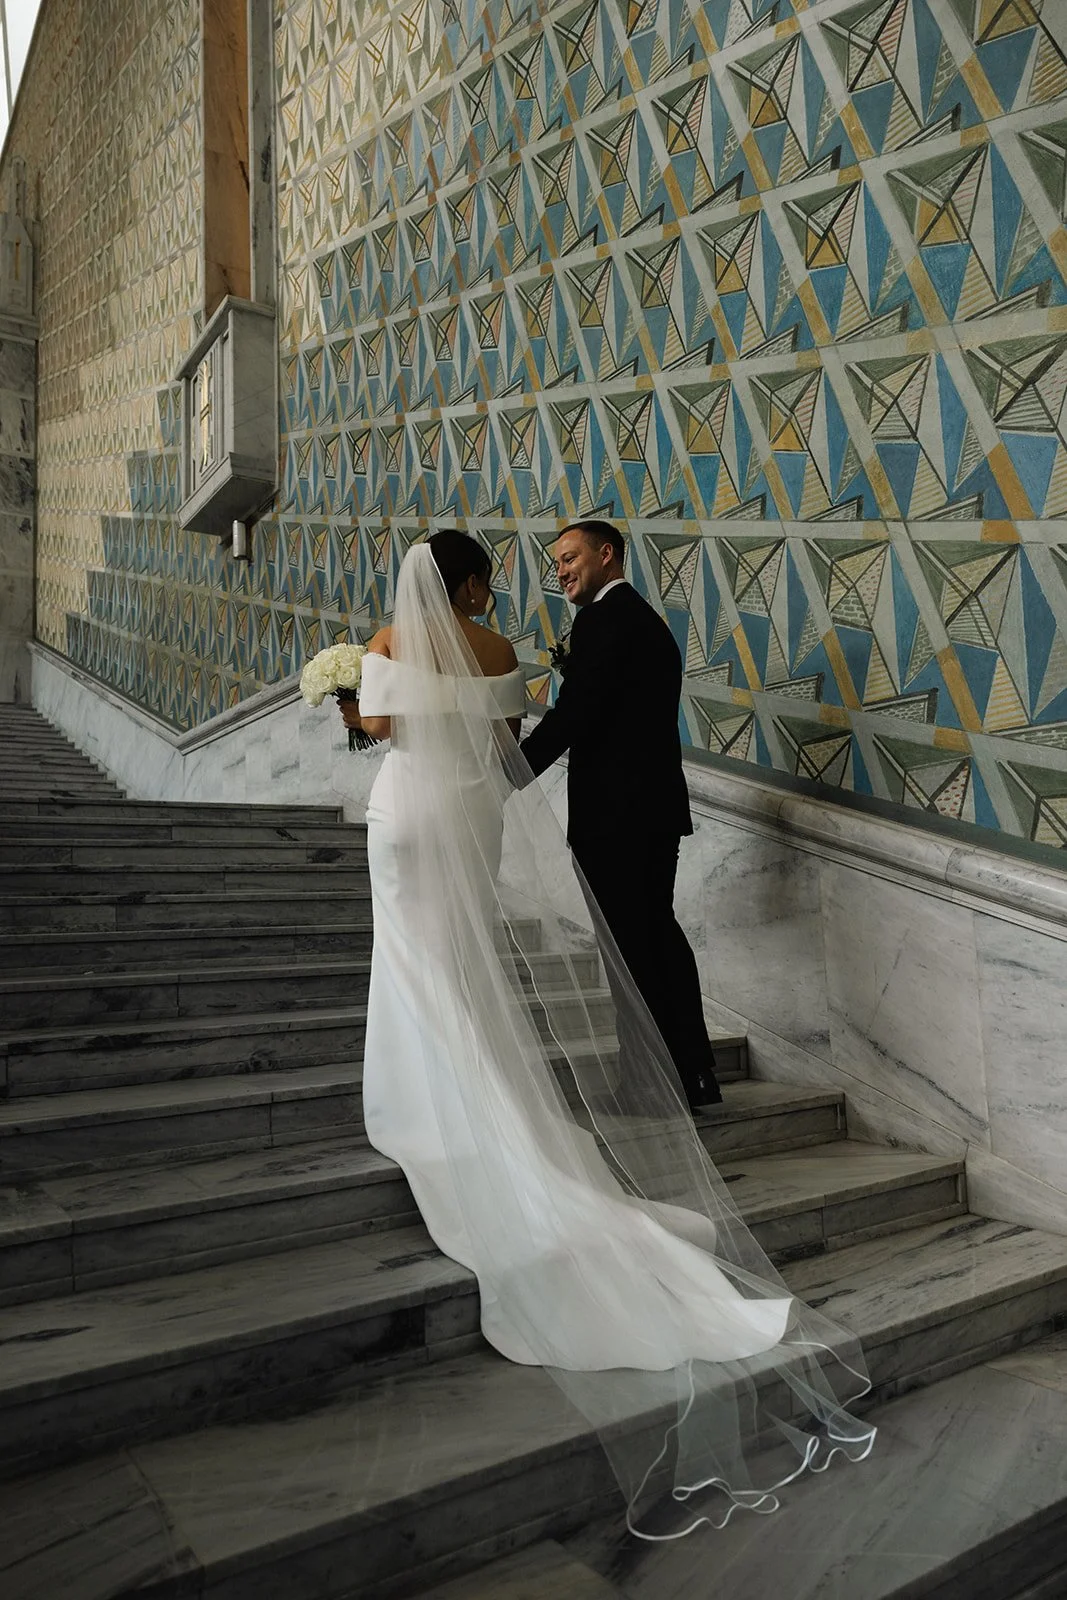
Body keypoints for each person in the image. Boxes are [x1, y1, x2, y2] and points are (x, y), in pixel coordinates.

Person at [344, 531, 874, 1541]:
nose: (554, 569)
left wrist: (347, 697)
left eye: (569, 554)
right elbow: (511, 730)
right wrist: (495, 775)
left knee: (444, 961)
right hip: (472, 812)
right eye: (534, 560)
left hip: (419, 810)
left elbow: (377, 722)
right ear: (471, 582)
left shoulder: (412, 634)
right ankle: (646, 1074)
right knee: (494, 957)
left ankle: (461, 1089)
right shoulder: (501, 647)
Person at [520, 520, 722, 1113]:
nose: (561, 570)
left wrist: (508, 771)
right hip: (654, 813)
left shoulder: (604, 620)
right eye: (557, 562)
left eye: (571, 557)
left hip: (615, 820)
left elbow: (576, 713)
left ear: (607, 555)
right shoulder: (646, 622)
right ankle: (695, 1073)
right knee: (659, 939)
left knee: (629, 953)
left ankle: (649, 1083)